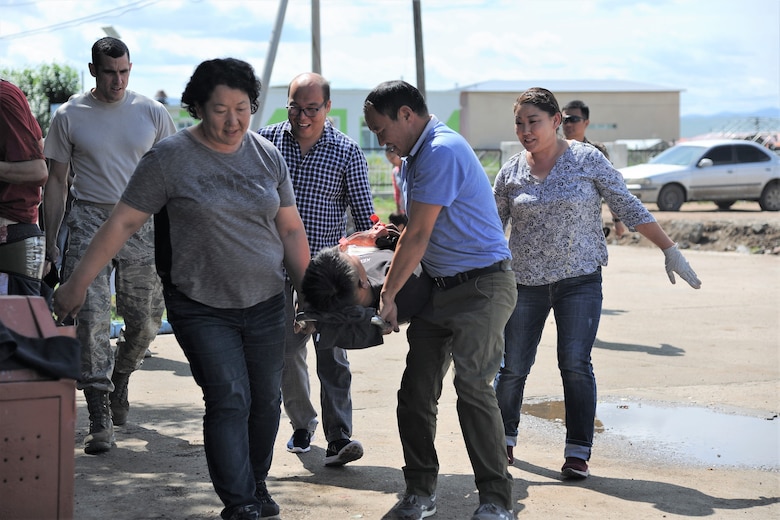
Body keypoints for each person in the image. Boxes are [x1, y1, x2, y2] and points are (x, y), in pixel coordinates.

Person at [52, 57, 310, 520]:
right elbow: (122, 222)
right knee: (229, 397)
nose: (233, 121)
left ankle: (256, 484)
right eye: (220, 109)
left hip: (267, 300)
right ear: (197, 107)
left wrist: (310, 291)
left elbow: (290, 231)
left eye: (243, 108)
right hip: (200, 304)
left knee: (265, 400)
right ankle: (238, 501)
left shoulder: (267, 155)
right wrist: (77, 282)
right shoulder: (169, 158)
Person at [493, 87, 701, 480]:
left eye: (533, 121)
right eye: (519, 123)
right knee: (514, 367)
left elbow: (626, 204)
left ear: (556, 121)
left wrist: (668, 248)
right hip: (525, 284)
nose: (525, 130)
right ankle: (502, 439)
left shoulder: (587, 159)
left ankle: (577, 452)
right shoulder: (511, 171)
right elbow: (489, 225)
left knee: (574, 364)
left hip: (580, 281)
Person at [364, 80, 517, 520]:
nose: (381, 140)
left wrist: (388, 294)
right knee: (415, 392)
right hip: (440, 289)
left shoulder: (441, 150)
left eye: (381, 129)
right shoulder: (415, 156)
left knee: (472, 386)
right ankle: (419, 492)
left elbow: (419, 233)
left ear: (407, 114)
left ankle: (495, 501)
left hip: (483, 287)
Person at [42, 37, 176, 454]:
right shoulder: (69, 115)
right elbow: (57, 183)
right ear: (93, 70)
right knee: (92, 317)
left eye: (124, 71)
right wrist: (51, 243)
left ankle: (120, 379)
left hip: (141, 220)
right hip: (89, 218)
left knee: (146, 321)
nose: (117, 80)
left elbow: (174, 175)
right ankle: (98, 413)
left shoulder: (151, 113)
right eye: (109, 72)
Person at [258, 72, 375, 466]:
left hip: (327, 275)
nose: (302, 117)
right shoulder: (267, 143)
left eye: (312, 109)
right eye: (295, 107)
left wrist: (367, 272)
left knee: (333, 355)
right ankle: (303, 423)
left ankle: (340, 437)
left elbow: (363, 218)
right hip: (275, 269)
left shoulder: (346, 152)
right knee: (288, 353)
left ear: (327, 107)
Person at [0, 79, 48, 298]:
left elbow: (38, 171)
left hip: (11, 236)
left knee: (15, 330)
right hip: (17, 236)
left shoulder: (4, 98)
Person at [561, 99, 627, 238]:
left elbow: (610, 188)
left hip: (589, 229)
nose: (568, 123)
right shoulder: (551, 151)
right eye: (564, 119)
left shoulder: (597, 152)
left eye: (574, 119)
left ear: (586, 122)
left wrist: (617, 220)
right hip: (559, 227)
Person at [385, 146, 406, 214]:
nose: (391, 161)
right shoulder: (395, 172)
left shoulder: (409, 168)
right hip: (404, 208)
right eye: (389, 159)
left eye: (392, 158)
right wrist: (398, 209)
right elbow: (397, 192)